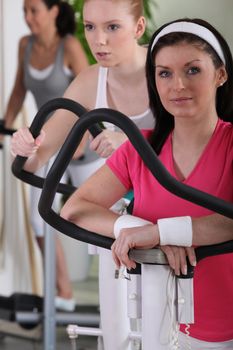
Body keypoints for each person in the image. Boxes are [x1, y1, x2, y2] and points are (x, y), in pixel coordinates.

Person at [60, 18, 233, 349]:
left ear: (221, 74)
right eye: (164, 73)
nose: (177, 85)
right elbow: (75, 210)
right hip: (160, 325)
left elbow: (228, 221)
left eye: (193, 70)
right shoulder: (140, 148)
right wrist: (135, 226)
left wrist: (160, 233)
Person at [11, 0, 155, 348]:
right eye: (90, 27)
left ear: (138, 29)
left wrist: (130, 140)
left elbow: (196, 142)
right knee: (118, 327)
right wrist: (25, 148)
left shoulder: (165, 68)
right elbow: (39, 156)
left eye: (112, 28)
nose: (98, 40)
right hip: (125, 215)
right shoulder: (91, 80)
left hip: (168, 206)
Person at [3, 0, 89, 311]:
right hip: (49, 144)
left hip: (85, 146)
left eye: (34, 10)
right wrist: (5, 124)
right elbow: (17, 90)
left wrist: (81, 140)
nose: (27, 18)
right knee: (39, 219)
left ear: (54, 11)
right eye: (24, 11)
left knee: (104, 217)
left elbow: (91, 95)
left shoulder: (69, 46)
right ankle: (64, 292)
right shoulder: (25, 44)